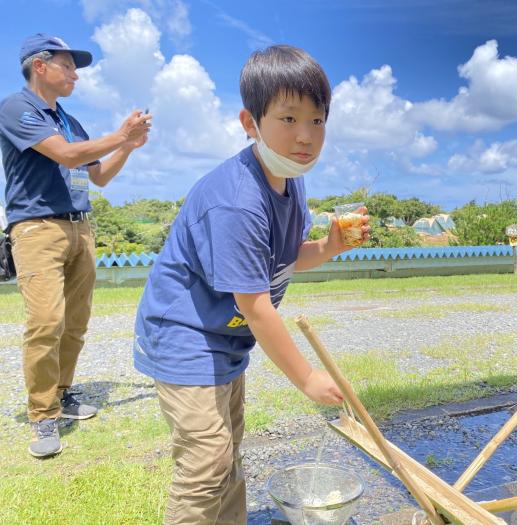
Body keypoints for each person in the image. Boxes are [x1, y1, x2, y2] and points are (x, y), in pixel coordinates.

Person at [133, 44, 369, 524]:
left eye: (318, 121)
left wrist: (327, 247)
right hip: (185, 332)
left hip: (226, 336)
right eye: (288, 119)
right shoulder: (238, 201)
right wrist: (307, 378)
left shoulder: (291, 179)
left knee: (227, 453)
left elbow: (280, 261)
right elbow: (257, 305)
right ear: (250, 123)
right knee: (207, 462)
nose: (305, 136)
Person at [0, 33, 151, 458]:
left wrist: (128, 146)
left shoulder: (70, 120)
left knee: (76, 322)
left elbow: (99, 175)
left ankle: (62, 393)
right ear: (39, 65)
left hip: (80, 227)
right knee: (46, 321)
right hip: (37, 229)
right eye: (68, 65)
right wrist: (119, 132)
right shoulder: (17, 108)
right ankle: (43, 415)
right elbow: (66, 156)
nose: (75, 74)